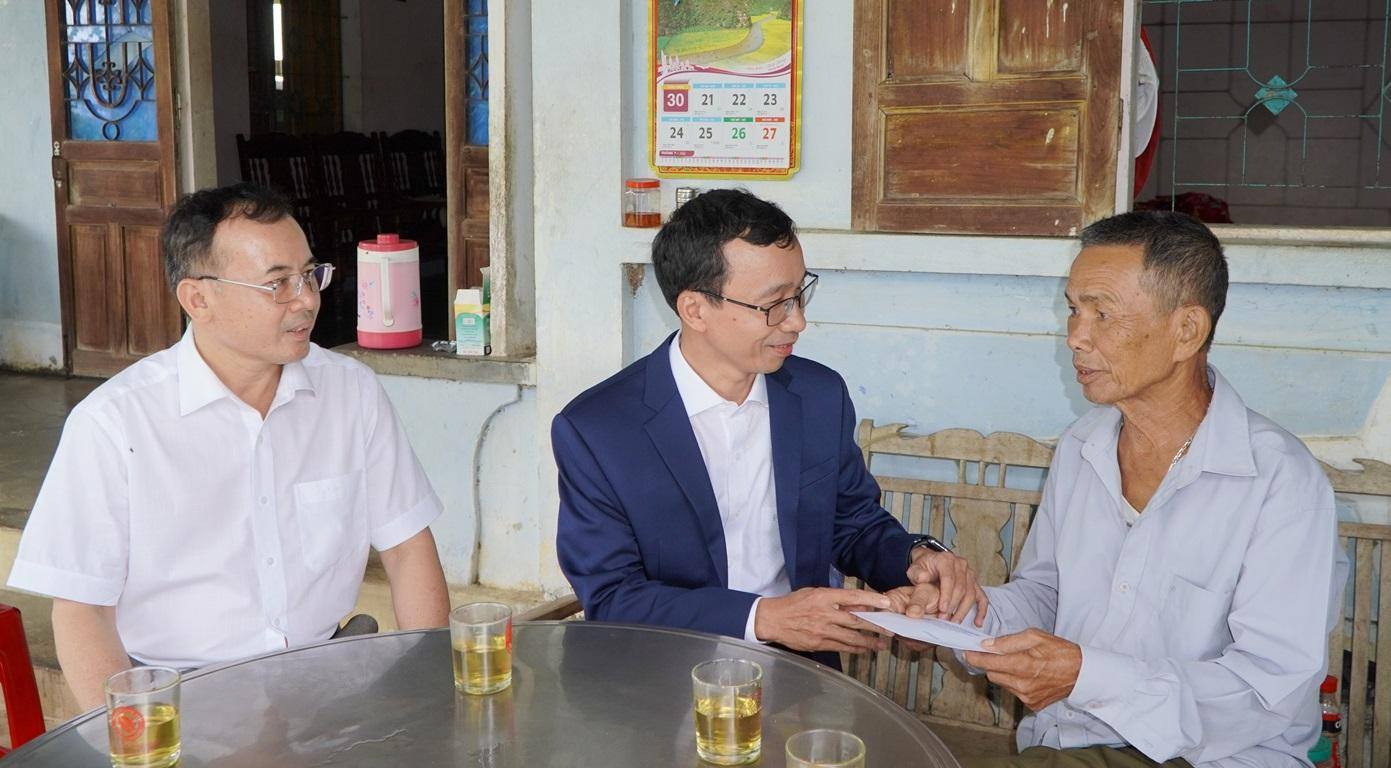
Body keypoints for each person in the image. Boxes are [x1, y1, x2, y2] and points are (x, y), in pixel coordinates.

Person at [8, 183, 450, 709]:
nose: (307, 299)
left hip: (330, 688)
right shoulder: (115, 425)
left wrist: (433, 694)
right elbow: (82, 611)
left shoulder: (351, 393)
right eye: (277, 284)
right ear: (199, 299)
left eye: (310, 274)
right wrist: (133, 738)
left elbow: (406, 549)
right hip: (182, 701)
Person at [930, 211, 1345, 768]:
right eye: (1074, 311)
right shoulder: (1082, 447)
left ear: (1186, 331)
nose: (1076, 337)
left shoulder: (1279, 482)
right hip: (1067, 740)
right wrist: (956, 614)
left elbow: (1266, 692)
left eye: (1104, 314)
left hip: (1215, 758)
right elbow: (1049, 596)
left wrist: (1086, 675)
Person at [553, 189, 984, 667]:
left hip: (802, 671)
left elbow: (851, 523)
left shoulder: (818, 396)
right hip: (665, 678)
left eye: (800, 293)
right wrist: (763, 618)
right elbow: (613, 596)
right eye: (774, 305)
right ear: (695, 309)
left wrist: (916, 558)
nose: (798, 321)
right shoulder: (599, 430)